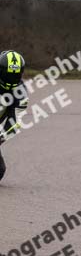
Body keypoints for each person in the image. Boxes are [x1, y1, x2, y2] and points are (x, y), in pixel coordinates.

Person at [0, 50, 28, 182]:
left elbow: (16, 120)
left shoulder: (20, 91)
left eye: (15, 75)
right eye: (7, 75)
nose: (11, 79)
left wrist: (1, 137)